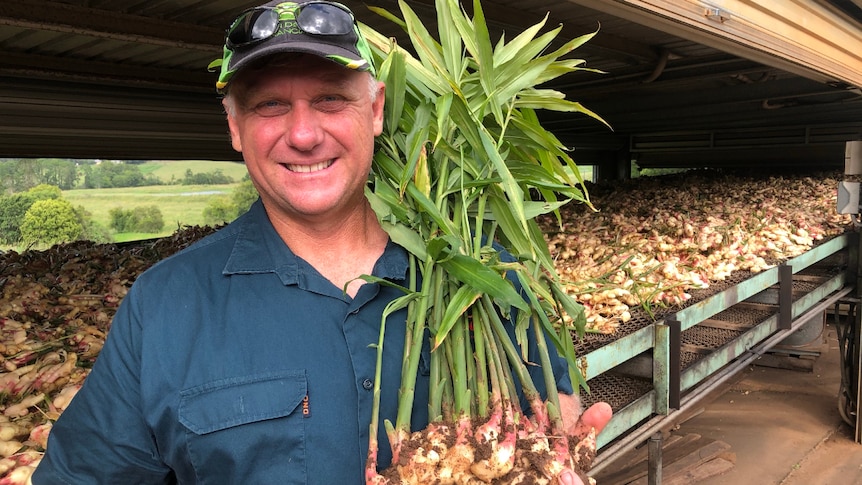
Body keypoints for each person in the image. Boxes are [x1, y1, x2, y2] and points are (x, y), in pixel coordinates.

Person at [33, 1, 611, 483]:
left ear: (377, 110)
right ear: (234, 126)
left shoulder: (485, 266)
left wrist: (546, 451)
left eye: (331, 99)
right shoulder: (165, 306)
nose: (304, 134)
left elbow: (552, 400)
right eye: (269, 105)